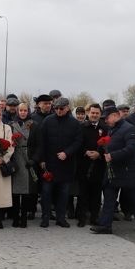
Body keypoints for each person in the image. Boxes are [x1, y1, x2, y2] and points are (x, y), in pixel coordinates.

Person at [91, 106, 135, 234]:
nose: (106, 121)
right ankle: (106, 225)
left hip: (127, 172)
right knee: (109, 199)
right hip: (112, 172)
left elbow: (132, 148)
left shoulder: (129, 129)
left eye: (107, 118)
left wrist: (112, 156)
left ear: (115, 116)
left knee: (134, 199)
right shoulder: (111, 130)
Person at [39, 97, 82, 228]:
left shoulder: (74, 123)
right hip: (49, 163)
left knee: (64, 193)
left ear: (67, 108)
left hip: (66, 164)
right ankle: (46, 216)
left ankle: (61, 217)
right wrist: (42, 159)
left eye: (61, 108)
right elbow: (42, 141)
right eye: (56, 108)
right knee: (46, 192)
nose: (58, 111)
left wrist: (67, 153)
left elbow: (78, 142)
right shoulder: (48, 121)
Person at [9, 102, 40, 228]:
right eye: (20, 110)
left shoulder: (34, 125)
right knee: (15, 192)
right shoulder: (10, 125)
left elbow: (39, 144)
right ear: (17, 111)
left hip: (28, 159)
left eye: (25, 110)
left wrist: (34, 159)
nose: (22, 113)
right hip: (16, 157)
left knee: (26, 192)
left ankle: (24, 219)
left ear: (28, 111)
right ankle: (15, 218)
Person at [75, 103, 105, 228]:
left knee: (96, 194)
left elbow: (109, 146)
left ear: (100, 114)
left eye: (97, 113)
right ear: (88, 113)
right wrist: (86, 152)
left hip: (98, 165)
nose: (94, 115)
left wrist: (99, 154)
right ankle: (81, 217)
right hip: (84, 164)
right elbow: (77, 143)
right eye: (92, 112)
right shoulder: (81, 127)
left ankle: (94, 217)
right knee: (82, 193)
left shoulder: (105, 128)